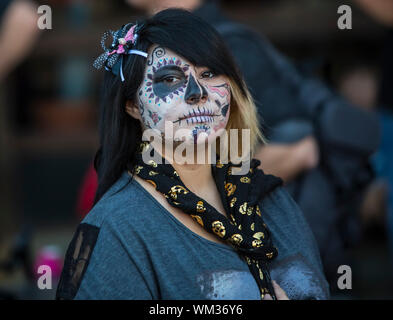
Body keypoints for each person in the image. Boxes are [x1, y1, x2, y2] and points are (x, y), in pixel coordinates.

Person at [57, 9, 329, 300]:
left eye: (209, 73)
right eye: (170, 78)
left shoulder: (272, 198)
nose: (197, 92)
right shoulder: (117, 230)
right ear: (132, 106)